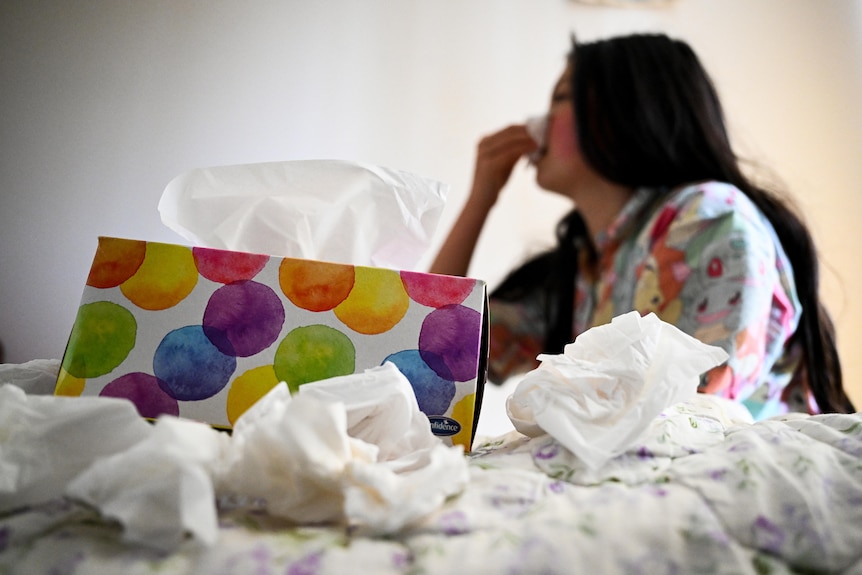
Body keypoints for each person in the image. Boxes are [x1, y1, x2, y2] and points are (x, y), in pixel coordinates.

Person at [430, 33, 856, 419]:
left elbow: (698, 411)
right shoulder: (580, 272)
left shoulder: (708, 221)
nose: (535, 123)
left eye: (560, 98)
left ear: (622, 113)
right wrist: (479, 200)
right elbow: (435, 344)